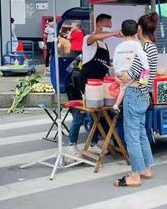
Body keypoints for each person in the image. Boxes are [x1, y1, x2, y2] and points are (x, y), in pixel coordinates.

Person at [114, 13, 159, 188]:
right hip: (144, 94)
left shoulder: (144, 49)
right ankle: (145, 169)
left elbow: (131, 73)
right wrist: (138, 82)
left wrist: (123, 78)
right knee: (140, 133)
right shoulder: (152, 48)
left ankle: (135, 175)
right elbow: (146, 75)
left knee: (132, 136)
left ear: (139, 29)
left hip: (134, 95)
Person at [67, 14, 120, 156]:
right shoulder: (88, 40)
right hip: (85, 84)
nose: (109, 28)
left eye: (110, 26)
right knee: (79, 114)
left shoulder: (105, 45)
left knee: (97, 115)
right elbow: (94, 37)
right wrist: (115, 33)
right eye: (107, 25)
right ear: (98, 25)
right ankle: (72, 145)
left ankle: (93, 143)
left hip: (100, 85)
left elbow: (106, 66)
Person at [112, 19, 150, 113]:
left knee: (122, 89)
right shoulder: (137, 45)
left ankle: (116, 105)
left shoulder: (118, 46)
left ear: (122, 31)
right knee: (125, 88)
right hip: (130, 76)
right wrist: (144, 83)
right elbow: (144, 63)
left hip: (120, 73)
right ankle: (116, 105)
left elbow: (115, 63)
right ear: (137, 31)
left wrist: (116, 76)